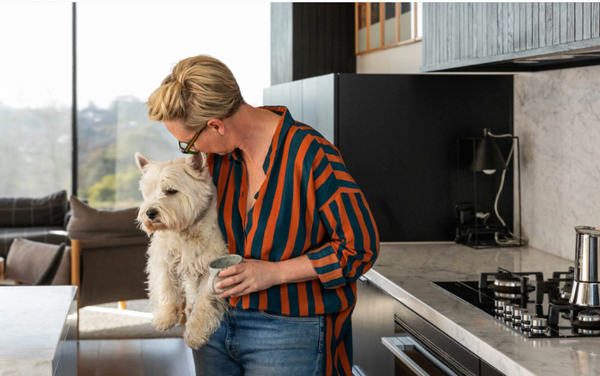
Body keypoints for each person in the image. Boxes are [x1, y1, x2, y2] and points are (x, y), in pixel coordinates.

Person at [146, 55, 379, 376]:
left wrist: (275, 272)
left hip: (290, 331)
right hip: (214, 325)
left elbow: (359, 248)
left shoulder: (312, 155)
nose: (191, 153)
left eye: (189, 143)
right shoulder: (215, 163)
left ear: (216, 125)